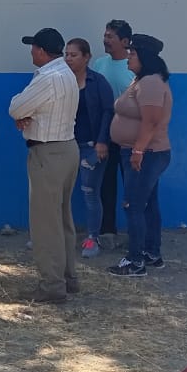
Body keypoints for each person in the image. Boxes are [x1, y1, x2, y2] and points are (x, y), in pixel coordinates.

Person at [8, 28, 80, 303]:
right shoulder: (66, 74)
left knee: (45, 223)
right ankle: (67, 277)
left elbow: (16, 107)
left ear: (41, 50)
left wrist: (23, 115)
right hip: (67, 148)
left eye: (33, 47)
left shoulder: (47, 78)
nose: (31, 52)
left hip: (47, 152)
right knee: (61, 218)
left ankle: (52, 284)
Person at [108, 33, 173, 278]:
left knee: (133, 205)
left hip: (147, 154)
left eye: (132, 54)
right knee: (147, 205)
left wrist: (137, 150)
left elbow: (151, 121)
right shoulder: (142, 81)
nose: (128, 58)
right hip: (144, 152)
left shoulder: (151, 83)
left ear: (144, 57)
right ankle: (151, 253)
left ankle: (135, 262)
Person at [64, 38, 115, 258]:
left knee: (90, 193)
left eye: (73, 55)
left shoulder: (98, 82)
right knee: (59, 193)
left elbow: (108, 112)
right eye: (66, 54)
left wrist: (103, 141)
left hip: (91, 147)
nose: (68, 59)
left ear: (86, 57)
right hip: (65, 145)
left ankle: (92, 238)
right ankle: (55, 236)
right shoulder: (61, 80)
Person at [90, 19, 135, 238]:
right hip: (104, 134)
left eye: (111, 37)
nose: (105, 40)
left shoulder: (134, 67)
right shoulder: (99, 64)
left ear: (125, 41)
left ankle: (136, 233)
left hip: (130, 136)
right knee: (105, 183)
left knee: (132, 184)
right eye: (105, 35)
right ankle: (107, 230)